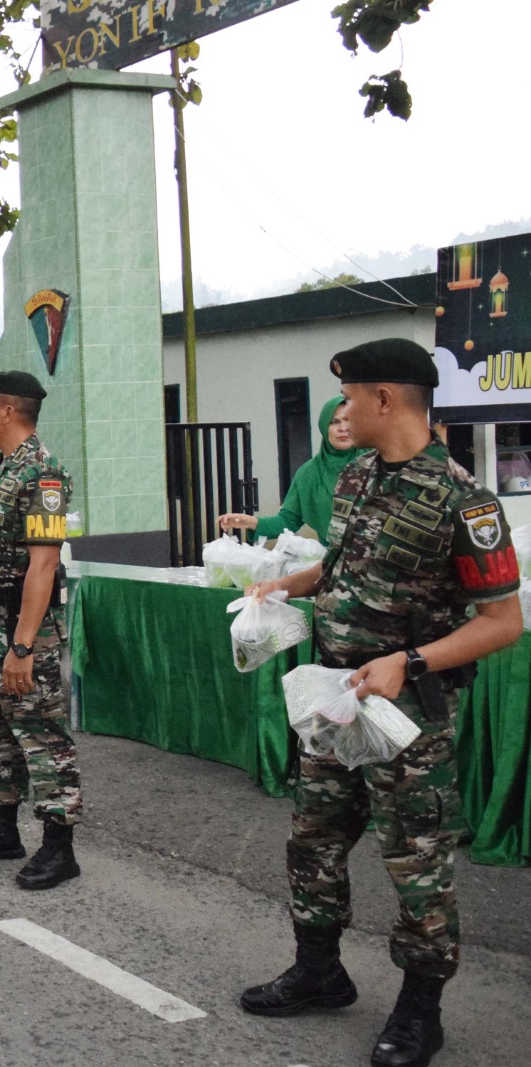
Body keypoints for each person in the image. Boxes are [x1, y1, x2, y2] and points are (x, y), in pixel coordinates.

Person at [238, 339, 522, 1067]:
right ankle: (319, 970)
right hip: (335, 698)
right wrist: (283, 587)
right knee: (313, 838)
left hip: (409, 714)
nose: (343, 407)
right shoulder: (357, 475)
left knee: (415, 861)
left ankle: (421, 1010)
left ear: (386, 400)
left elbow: (503, 621)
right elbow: (342, 563)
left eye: (352, 394)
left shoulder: (466, 500)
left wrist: (411, 659)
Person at [0, 371, 81, 890]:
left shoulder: (43, 474)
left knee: (40, 733)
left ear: (7, 412)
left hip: (22, 630)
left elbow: (42, 566)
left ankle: (58, 846)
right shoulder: (3, 467)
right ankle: (1, 827)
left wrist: (22, 647)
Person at [219, 397, 365, 545]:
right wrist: (251, 522)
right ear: (324, 426)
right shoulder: (309, 474)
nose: (343, 428)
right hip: (337, 564)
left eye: (349, 420)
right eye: (335, 422)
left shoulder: (376, 462)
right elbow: (288, 521)